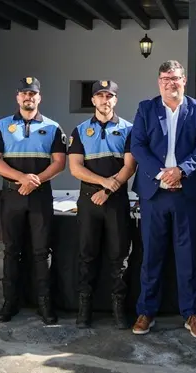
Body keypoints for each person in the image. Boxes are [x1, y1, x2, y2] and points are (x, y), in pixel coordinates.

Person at [130, 60, 196, 339]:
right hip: (154, 193)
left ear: (184, 80)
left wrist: (182, 171)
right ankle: (146, 311)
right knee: (151, 255)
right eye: (165, 78)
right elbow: (137, 146)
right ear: (159, 82)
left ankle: (191, 313)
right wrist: (161, 174)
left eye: (175, 78)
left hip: (186, 193)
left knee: (188, 256)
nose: (170, 83)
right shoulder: (146, 108)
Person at [0, 76, 66, 325]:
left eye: (32, 93)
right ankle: (10, 302)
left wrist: (35, 181)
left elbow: (59, 163)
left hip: (40, 196)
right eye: (24, 93)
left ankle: (44, 304)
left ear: (39, 97)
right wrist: (21, 178)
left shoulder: (53, 128)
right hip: (12, 195)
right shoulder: (1, 126)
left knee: (42, 252)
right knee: (11, 251)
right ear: (17, 97)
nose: (28, 97)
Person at [67, 80, 136, 329]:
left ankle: (118, 309)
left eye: (109, 96)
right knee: (87, 255)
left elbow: (130, 167)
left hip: (116, 201)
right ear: (93, 100)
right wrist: (102, 184)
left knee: (120, 257)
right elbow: (75, 167)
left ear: (115, 100)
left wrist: (107, 190)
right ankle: (85, 308)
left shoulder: (129, 129)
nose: (104, 101)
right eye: (100, 96)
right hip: (88, 201)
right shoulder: (80, 130)